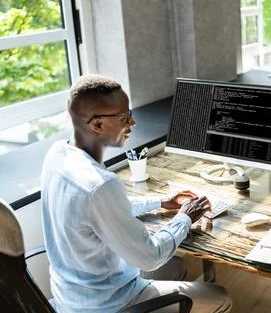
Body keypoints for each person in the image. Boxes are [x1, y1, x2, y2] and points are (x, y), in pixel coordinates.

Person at [40, 74, 232, 312]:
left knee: (174, 266)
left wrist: (161, 201)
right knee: (221, 297)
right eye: (125, 116)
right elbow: (149, 257)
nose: (133, 123)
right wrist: (185, 217)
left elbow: (102, 208)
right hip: (109, 304)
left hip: (72, 295)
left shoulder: (57, 154)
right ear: (97, 125)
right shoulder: (101, 185)